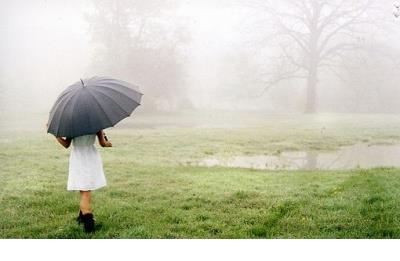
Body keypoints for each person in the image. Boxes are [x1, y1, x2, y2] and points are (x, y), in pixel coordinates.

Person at [56, 130, 112, 233]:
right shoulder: (96, 124)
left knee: (84, 190)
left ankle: (84, 220)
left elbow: (66, 144)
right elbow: (103, 144)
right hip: (91, 157)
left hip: (78, 158)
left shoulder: (72, 126)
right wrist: (109, 143)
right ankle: (88, 225)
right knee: (85, 191)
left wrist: (56, 136)